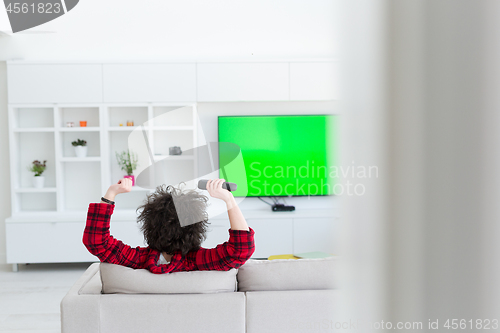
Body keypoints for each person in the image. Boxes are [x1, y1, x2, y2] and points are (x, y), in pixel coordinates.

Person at [83, 178, 255, 274]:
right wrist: (229, 200)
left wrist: (110, 194)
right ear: (196, 228)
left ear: (149, 226)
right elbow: (240, 250)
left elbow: (96, 241)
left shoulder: (138, 260)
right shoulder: (198, 262)